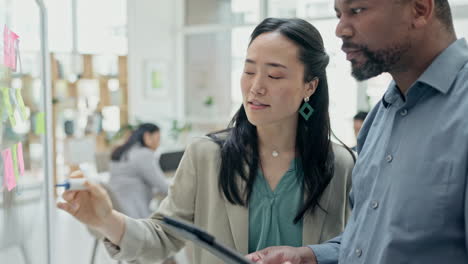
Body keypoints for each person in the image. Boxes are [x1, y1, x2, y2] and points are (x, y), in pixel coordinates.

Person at [57, 18, 355, 264]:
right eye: (249, 70)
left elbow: (357, 248)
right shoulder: (207, 156)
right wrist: (107, 219)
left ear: (309, 86)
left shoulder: (341, 166)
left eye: (274, 76)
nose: (256, 87)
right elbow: (164, 235)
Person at [246, 0, 468, 263]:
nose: (341, 29)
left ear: (419, 10)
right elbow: (368, 239)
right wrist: (310, 256)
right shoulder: (381, 115)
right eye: (339, 14)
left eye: (357, 10)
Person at [108, 123, 169, 219]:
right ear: (147, 137)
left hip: (117, 213)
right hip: (135, 215)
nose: (158, 144)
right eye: (158, 139)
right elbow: (163, 186)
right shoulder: (144, 154)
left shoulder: (122, 151)